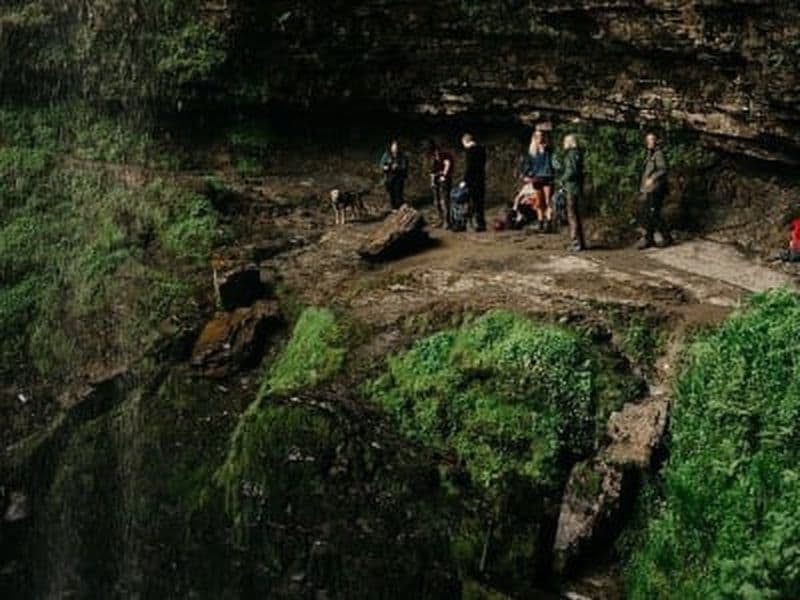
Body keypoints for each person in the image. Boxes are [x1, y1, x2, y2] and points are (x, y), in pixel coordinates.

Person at [637, 132, 673, 249]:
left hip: (657, 189)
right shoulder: (649, 154)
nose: (648, 142)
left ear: (656, 141)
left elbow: (663, 169)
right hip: (649, 189)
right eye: (647, 140)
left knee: (654, 213)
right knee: (648, 214)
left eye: (651, 140)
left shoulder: (658, 154)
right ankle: (649, 239)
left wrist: (652, 178)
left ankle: (667, 237)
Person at [521, 128, 556, 232]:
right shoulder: (532, 151)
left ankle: (549, 222)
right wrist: (527, 174)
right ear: (534, 138)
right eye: (537, 136)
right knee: (539, 201)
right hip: (536, 178)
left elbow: (552, 163)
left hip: (547, 177)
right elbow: (528, 165)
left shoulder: (549, 150)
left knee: (548, 200)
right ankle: (541, 222)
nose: (539, 138)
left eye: (541, 136)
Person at [560, 134, 586, 251]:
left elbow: (571, 171)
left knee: (572, 215)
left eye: (565, 141)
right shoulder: (578, 154)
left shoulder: (571, 155)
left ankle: (576, 242)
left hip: (571, 187)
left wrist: (562, 179)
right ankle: (580, 242)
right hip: (577, 187)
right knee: (576, 214)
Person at [461, 133, 487, 232]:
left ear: (465, 141)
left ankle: (471, 224)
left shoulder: (470, 151)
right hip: (481, 178)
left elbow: (470, 167)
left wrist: (465, 180)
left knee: (472, 202)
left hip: (472, 181)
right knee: (480, 202)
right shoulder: (482, 149)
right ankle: (481, 223)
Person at [428, 141, 455, 228]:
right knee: (436, 201)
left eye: (438, 152)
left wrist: (444, 175)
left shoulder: (446, 156)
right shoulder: (433, 158)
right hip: (437, 179)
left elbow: (448, 166)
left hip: (445, 179)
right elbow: (432, 171)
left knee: (445, 201)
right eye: (435, 153)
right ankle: (440, 219)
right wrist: (432, 182)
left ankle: (447, 221)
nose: (437, 154)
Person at [380, 140, 409, 210]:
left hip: (399, 178)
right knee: (391, 193)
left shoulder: (402, 156)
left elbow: (404, 166)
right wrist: (387, 167)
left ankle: (400, 206)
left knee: (398, 193)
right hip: (389, 177)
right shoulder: (387, 155)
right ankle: (393, 207)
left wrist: (398, 167)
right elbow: (381, 165)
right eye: (394, 147)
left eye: (396, 147)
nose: (395, 149)